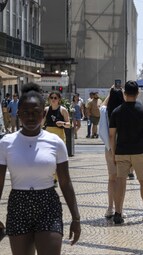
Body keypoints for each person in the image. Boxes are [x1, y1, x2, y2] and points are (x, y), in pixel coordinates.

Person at [0, 83, 80, 255]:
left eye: (35, 112)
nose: (30, 117)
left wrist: (76, 217)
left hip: (48, 205)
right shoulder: (6, 143)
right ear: (18, 113)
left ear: (43, 114)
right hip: (18, 206)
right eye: (26, 113)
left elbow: (65, 182)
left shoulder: (56, 142)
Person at [109, 80, 143, 224]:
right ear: (138, 93)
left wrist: (113, 154)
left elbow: (112, 135)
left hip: (121, 151)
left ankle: (118, 213)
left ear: (124, 93)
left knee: (120, 182)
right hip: (140, 152)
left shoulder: (116, 112)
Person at [99, 83, 126, 219]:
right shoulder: (124, 110)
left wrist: (110, 92)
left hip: (109, 147)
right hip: (123, 147)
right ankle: (119, 209)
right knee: (121, 179)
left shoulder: (105, 111)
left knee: (111, 178)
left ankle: (110, 207)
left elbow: (101, 105)